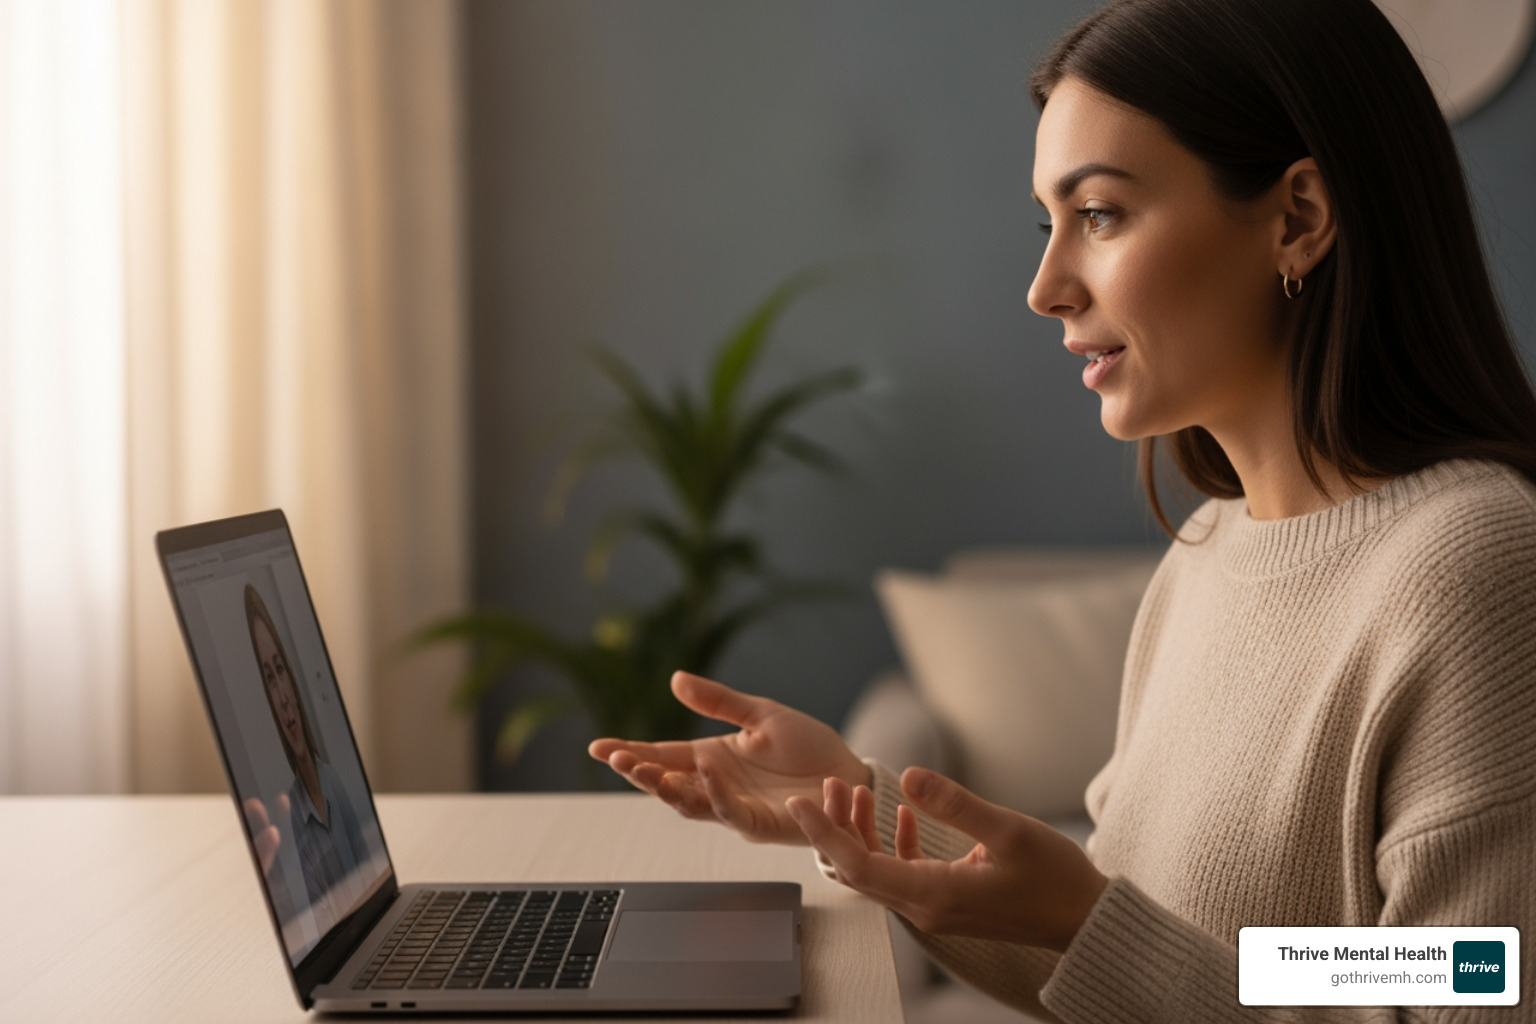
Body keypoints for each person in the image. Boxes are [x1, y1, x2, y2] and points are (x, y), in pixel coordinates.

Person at [588, 0, 1536, 1020]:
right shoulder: (1210, 548)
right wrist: (860, 801)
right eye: (1052, 222)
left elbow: (1463, 978)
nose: (1046, 288)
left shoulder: (1471, 565)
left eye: (1101, 214)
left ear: (1297, 218)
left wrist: (1087, 920)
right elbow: (1162, 962)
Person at [243, 583, 369, 918]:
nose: (283, 698)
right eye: (269, 679)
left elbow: (369, 871)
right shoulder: (290, 822)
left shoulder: (333, 781)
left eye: (280, 670)